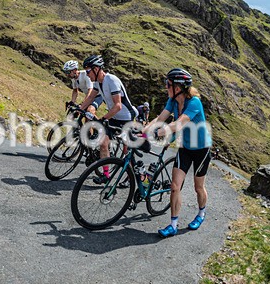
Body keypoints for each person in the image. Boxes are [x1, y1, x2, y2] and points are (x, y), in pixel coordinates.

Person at [144, 68, 212, 238]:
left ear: (178, 87)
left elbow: (179, 123)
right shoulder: (173, 101)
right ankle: (173, 225)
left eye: (168, 84)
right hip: (185, 148)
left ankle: (201, 214)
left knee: (198, 187)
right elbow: (160, 118)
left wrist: (159, 132)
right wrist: (143, 131)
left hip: (201, 149)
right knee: (175, 187)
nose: (165, 87)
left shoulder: (194, 102)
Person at [77, 54, 137, 180]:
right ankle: (106, 175)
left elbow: (118, 106)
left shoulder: (111, 80)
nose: (87, 75)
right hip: (114, 117)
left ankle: (130, 178)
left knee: (126, 150)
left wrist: (103, 119)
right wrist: (79, 110)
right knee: (103, 143)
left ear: (96, 69)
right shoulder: (98, 83)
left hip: (126, 117)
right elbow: (91, 97)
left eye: (88, 71)